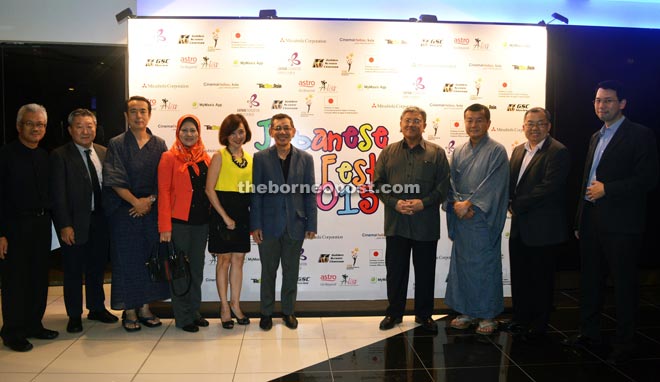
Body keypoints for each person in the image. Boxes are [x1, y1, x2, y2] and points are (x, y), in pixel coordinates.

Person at [563, 80, 658, 364]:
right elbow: (586, 181)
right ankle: (589, 334)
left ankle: (626, 343)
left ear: (623, 103)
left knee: (624, 286)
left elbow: (648, 179)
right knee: (590, 282)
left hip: (622, 225)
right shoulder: (596, 136)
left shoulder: (640, 135)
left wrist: (609, 189)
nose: (601, 105)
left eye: (608, 101)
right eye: (597, 100)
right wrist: (580, 219)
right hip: (592, 222)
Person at [373, 106, 450, 333]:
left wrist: (423, 203)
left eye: (417, 121)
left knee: (425, 272)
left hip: (425, 224)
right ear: (400, 124)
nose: (411, 124)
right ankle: (393, 313)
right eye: (407, 120)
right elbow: (378, 184)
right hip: (396, 224)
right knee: (395, 272)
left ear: (424, 125)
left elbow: (443, 186)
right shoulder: (388, 152)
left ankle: (424, 316)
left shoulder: (436, 153)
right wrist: (394, 202)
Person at [103, 95, 169, 332]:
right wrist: (135, 202)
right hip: (124, 212)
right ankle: (129, 309)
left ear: (149, 114)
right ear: (126, 116)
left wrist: (149, 201)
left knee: (149, 259)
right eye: (133, 111)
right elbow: (114, 178)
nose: (138, 116)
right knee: (126, 261)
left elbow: (165, 181)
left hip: (150, 212)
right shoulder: (117, 144)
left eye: (143, 111)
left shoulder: (160, 144)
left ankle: (145, 308)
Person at [51, 108, 118, 334]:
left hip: (101, 221)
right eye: (79, 126)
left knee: (97, 268)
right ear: (70, 130)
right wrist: (64, 224)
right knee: (72, 270)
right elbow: (57, 195)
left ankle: (97, 308)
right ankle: (73, 315)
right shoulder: (60, 155)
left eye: (89, 126)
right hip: (75, 223)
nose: (85, 131)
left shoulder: (104, 152)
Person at [444, 103, 509, 335]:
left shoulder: (497, 150)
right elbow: (449, 183)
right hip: (462, 218)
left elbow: (494, 184)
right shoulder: (459, 151)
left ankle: (488, 314)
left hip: (482, 218)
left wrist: (470, 204)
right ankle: (466, 311)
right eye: (469, 120)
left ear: (488, 123)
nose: (474, 125)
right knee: (463, 266)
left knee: (485, 266)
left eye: (479, 120)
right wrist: (456, 205)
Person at [506, 107, 570, 341]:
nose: (534, 128)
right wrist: (509, 201)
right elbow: (511, 184)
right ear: (523, 127)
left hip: (544, 229)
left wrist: (517, 204)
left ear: (549, 126)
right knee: (521, 276)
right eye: (530, 124)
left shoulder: (557, 151)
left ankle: (539, 324)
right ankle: (520, 319)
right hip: (520, 228)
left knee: (541, 279)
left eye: (540, 123)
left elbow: (549, 187)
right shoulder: (517, 151)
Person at [0, 103, 58, 352]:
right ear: (18, 126)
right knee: (15, 280)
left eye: (41, 124)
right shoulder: (5, 155)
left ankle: (34, 324)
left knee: (37, 277)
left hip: (42, 225)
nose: (36, 128)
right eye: (30, 123)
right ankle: (12, 331)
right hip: (14, 226)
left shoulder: (45, 156)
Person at [251, 113, 317, 331]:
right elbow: (256, 194)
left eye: (286, 128)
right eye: (277, 128)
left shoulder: (305, 159)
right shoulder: (260, 158)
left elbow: (309, 193)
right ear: (271, 131)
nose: (282, 132)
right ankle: (266, 313)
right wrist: (255, 225)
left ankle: (288, 311)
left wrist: (311, 224)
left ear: (293, 131)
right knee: (268, 271)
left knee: (291, 272)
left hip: (295, 225)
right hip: (268, 226)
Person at [158, 114, 211, 333]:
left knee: (196, 270)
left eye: (193, 130)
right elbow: (163, 192)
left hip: (201, 224)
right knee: (180, 272)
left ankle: (194, 311)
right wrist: (165, 227)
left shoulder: (205, 158)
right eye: (184, 130)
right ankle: (182, 316)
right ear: (178, 132)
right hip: (178, 224)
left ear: (199, 133)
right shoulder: (168, 157)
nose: (189, 134)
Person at [205, 114, 253, 329]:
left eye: (241, 132)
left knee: (239, 260)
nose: (237, 136)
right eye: (233, 132)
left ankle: (236, 304)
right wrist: (225, 217)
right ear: (225, 135)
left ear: (246, 133)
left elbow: (251, 191)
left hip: (242, 214)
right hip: (221, 213)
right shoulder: (219, 156)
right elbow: (209, 189)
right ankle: (224, 307)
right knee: (223, 261)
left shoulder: (251, 159)